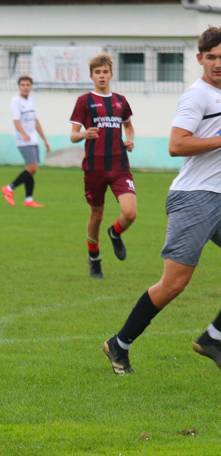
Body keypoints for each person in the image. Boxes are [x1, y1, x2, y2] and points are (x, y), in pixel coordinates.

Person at [103, 26, 221, 375]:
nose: (218, 64)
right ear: (199, 59)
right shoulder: (197, 96)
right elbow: (177, 145)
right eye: (211, 57)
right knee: (174, 284)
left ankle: (213, 337)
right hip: (195, 198)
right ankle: (118, 345)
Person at [70, 53, 136, 279]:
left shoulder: (120, 100)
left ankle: (115, 233)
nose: (101, 76)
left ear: (111, 74)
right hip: (95, 168)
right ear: (91, 76)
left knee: (130, 212)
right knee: (96, 216)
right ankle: (94, 259)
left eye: (105, 72)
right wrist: (83, 134)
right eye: (97, 72)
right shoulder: (84, 101)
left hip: (119, 166)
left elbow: (129, 126)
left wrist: (130, 139)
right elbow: (72, 135)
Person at [1, 75, 50, 208]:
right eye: (22, 85)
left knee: (31, 171)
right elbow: (16, 120)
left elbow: (35, 121)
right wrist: (23, 134)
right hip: (23, 140)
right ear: (19, 87)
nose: (25, 87)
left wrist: (44, 139)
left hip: (32, 138)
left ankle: (28, 199)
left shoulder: (30, 101)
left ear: (31, 86)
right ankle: (9, 188)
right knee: (33, 168)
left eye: (27, 85)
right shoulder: (15, 101)